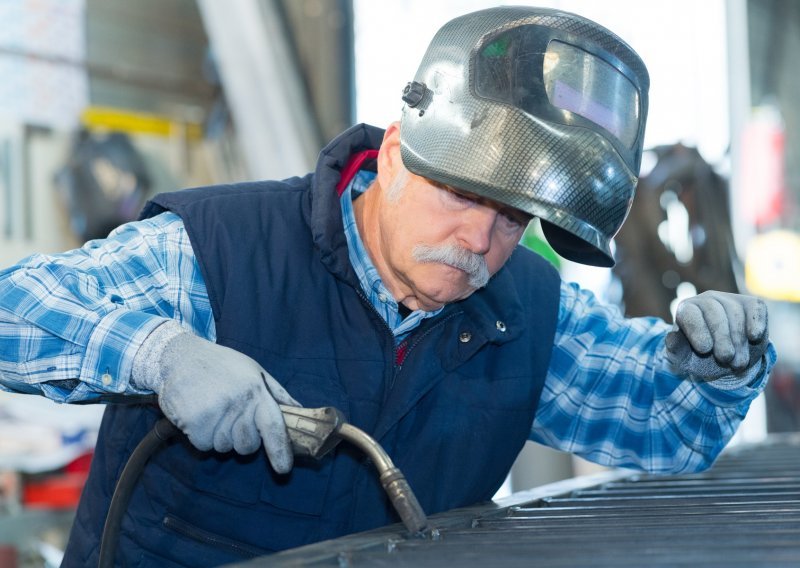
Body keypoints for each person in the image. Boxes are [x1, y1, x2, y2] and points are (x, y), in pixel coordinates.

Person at [0, 6, 775, 567]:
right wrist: (160, 353)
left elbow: (660, 425)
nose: (480, 242)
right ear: (398, 152)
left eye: (513, 221)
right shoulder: (219, 253)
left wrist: (716, 368)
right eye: (466, 196)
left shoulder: (526, 310)